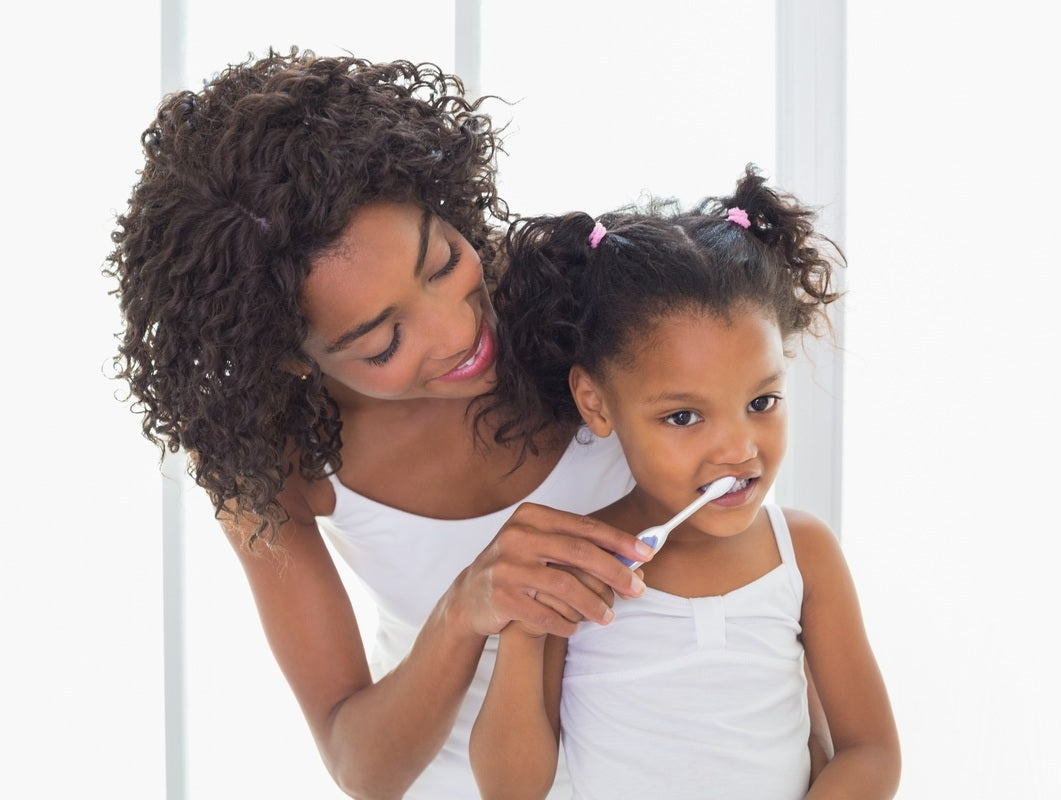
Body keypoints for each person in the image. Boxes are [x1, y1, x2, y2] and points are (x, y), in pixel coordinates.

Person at [106, 49, 831, 798]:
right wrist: (463, 611)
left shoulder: (580, 309)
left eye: (443, 261)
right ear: (290, 358)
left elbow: (764, 607)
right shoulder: (275, 463)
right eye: (383, 341)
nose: (459, 333)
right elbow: (360, 765)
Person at [469, 167, 901, 799]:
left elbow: (870, 751)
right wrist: (525, 634)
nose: (739, 449)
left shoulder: (804, 554)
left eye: (761, 402)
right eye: (683, 417)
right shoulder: (572, 566)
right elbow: (511, 789)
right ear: (596, 403)